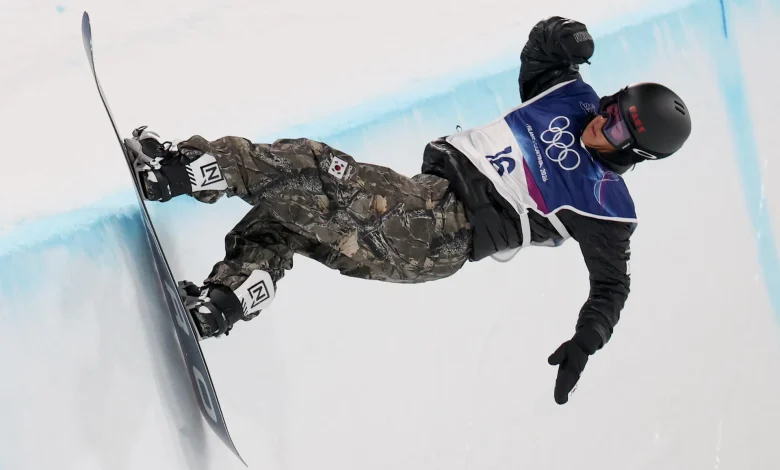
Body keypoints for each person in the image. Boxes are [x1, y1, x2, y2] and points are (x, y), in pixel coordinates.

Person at [125, 16, 692, 405]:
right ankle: (226, 301)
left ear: (633, 152)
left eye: (616, 127)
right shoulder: (569, 98)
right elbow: (541, 51)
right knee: (285, 216)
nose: (602, 120)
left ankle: (178, 170)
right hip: (424, 200)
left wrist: (586, 340)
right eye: (613, 105)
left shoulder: (603, 204)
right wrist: (566, 36)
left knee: (314, 165)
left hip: (439, 229)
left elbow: (612, 287)